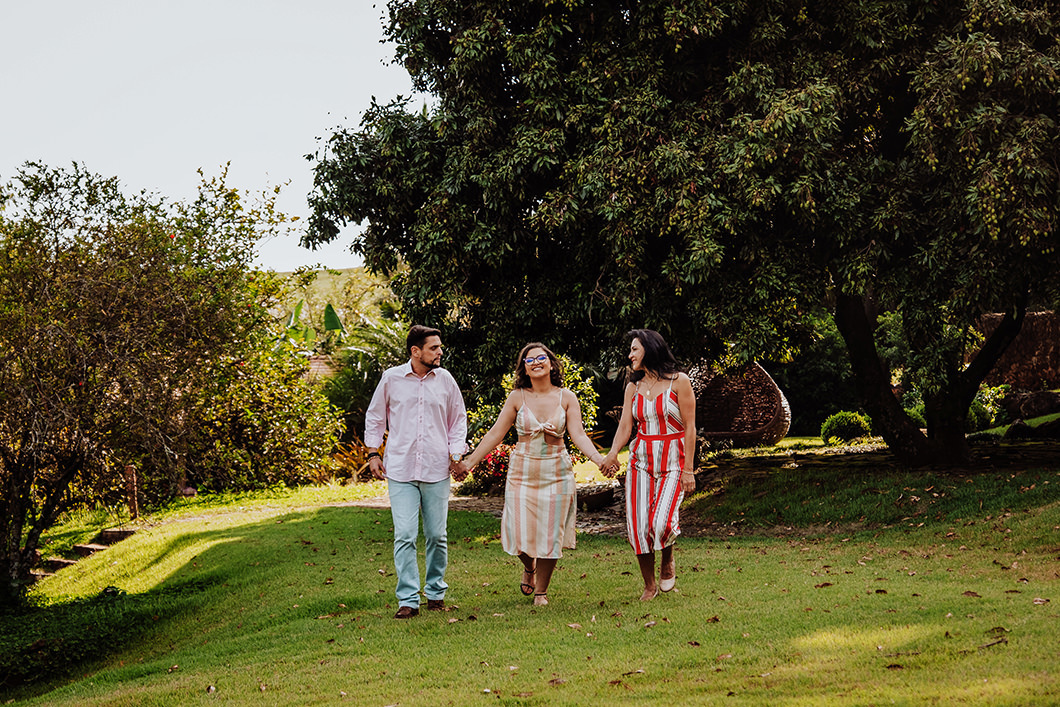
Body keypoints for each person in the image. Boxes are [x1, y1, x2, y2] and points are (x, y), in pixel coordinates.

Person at [458, 342, 607, 606]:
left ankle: (542, 592)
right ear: (524, 369)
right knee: (517, 532)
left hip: (556, 471)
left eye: (541, 358)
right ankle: (529, 567)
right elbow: (495, 433)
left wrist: (598, 459)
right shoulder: (517, 397)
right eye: (529, 360)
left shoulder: (567, 397)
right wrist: (469, 462)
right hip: (522, 472)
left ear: (551, 363)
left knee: (550, 533)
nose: (536, 362)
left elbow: (579, 434)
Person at [365, 325, 468, 619]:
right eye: (434, 348)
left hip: (437, 468)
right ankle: (408, 598)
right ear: (415, 351)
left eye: (440, 347)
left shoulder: (445, 380)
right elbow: (375, 416)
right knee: (405, 535)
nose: (440, 352)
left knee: (437, 535)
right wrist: (374, 452)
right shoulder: (392, 378)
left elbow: (457, 420)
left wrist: (456, 453)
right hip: (400, 469)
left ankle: (435, 592)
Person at [602, 329, 697, 601]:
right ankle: (649, 584)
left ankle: (667, 556)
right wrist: (612, 454)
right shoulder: (633, 387)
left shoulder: (680, 382)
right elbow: (625, 426)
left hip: (674, 460)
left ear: (650, 349)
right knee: (639, 524)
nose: (630, 355)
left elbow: (690, 428)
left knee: (662, 522)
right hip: (640, 460)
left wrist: (689, 470)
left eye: (634, 349)